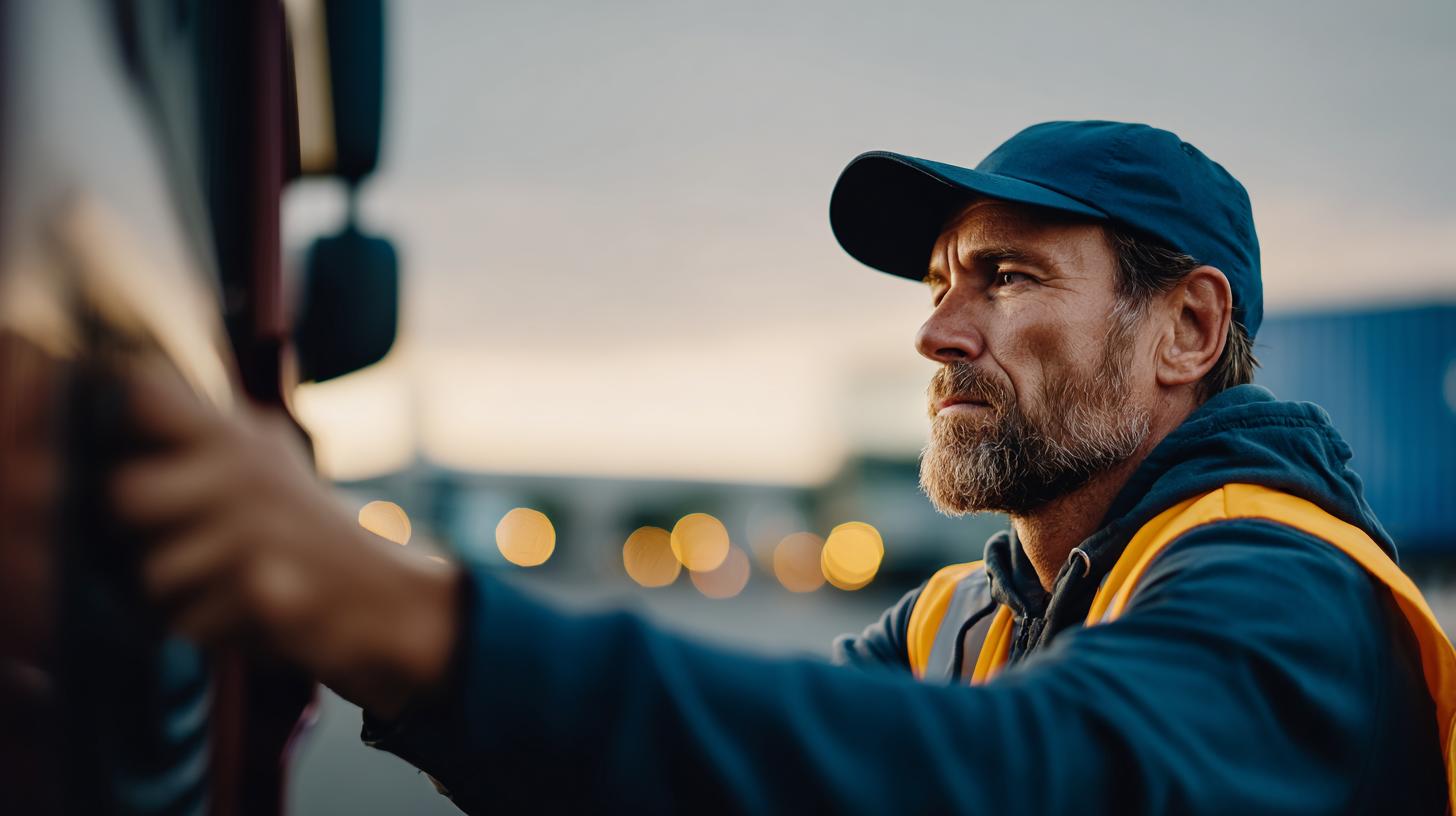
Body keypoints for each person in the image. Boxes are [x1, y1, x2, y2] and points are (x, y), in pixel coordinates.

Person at [112, 121, 1455, 814]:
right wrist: (335, 609)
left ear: (1191, 329)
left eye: (1005, 276)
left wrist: (399, 619)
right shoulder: (966, 619)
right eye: (939, 283)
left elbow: (1017, 781)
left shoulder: (1285, 595)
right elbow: (760, 770)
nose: (936, 329)